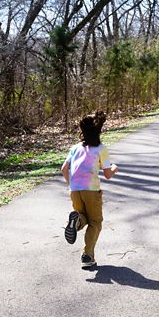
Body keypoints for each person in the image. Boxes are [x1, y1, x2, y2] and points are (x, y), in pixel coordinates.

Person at [61, 109, 119, 269]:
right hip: (91, 191)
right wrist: (114, 167)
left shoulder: (75, 148)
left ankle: (77, 221)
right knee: (95, 222)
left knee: (83, 216)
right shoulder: (101, 148)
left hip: (75, 190)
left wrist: (71, 185)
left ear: (82, 130)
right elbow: (107, 174)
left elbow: (64, 169)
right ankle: (87, 256)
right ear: (99, 130)